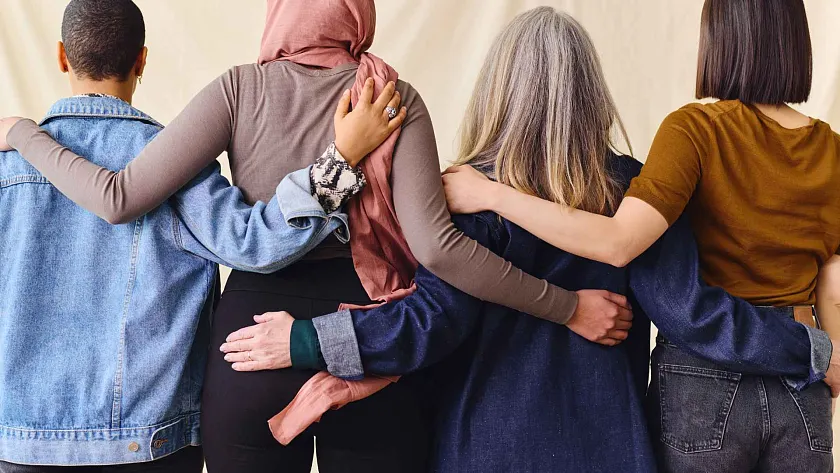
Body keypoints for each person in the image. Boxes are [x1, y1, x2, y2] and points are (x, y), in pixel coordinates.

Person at [0, 1, 640, 471]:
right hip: (370, 340)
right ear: (359, 17)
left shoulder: (238, 89)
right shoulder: (391, 98)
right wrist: (568, 307)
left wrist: (23, 134)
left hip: (249, 343)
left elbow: (121, 197)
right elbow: (441, 250)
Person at [221, 7, 836, 472]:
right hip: (610, 448)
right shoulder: (631, 189)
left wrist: (308, 339)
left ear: (498, 90)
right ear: (593, 95)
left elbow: (435, 319)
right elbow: (691, 313)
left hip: (483, 447)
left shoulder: (464, 193)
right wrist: (811, 350)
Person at [440, 0, 840, 471]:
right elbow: (832, 286)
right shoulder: (832, 148)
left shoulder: (694, 130)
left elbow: (619, 243)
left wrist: (494, 196)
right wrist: (826, 358)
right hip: (798, 370)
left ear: (719, 42)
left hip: (704, 381)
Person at [0, 0, 399, 470]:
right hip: (148, 444)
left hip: (18, 442)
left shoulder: (9, 167)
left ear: (62, 56)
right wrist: (340, 163)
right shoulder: (174, 168)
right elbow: (256, 244)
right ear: (142, 60)